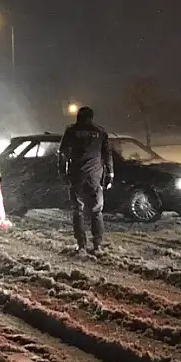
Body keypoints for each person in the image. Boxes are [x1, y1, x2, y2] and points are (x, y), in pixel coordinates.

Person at [58, 106, 113, 254]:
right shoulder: (100, 132)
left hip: (77, 176)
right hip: (95, 177)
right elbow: (107, 154)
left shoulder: (71, 131)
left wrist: (62, 173)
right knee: (96, 211)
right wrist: (110, 174)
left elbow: (62, 154)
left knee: (78, 210)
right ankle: (97, 244)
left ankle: (81, 244)